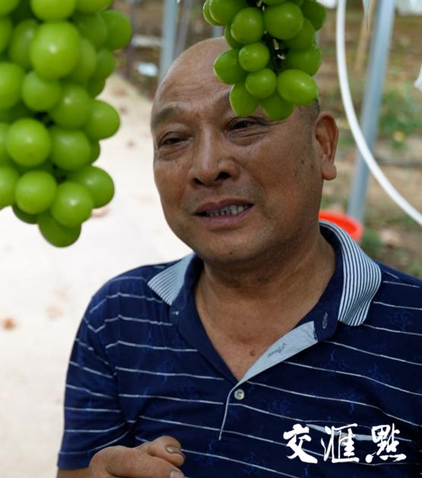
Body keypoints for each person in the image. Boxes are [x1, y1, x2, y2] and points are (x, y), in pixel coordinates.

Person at [57, 38, 422, 477]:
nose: (208, 166)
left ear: (323, 145)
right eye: (174, 139)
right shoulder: (119, 317)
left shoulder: (412, 331)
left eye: (243, 124)